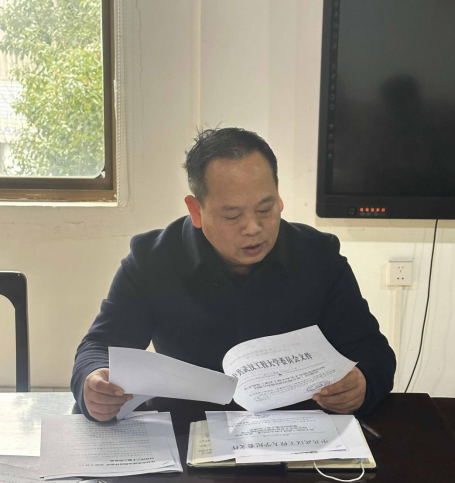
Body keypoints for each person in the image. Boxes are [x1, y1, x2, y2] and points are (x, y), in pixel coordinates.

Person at [71, 127, 395, 422]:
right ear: (196, 210)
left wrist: (362, 383)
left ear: (279, 196)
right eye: (232, 215)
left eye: (265, 209)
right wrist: (93, 381)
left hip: (295, 432)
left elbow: (373, 352)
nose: (253, 228)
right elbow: (99, 346)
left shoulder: (318, 256)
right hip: (190, 431)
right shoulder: (152, 260)